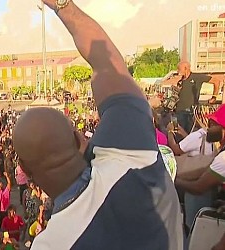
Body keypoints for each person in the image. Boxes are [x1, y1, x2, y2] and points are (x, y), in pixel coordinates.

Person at [13, 1, 183, 249]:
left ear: (25, 173)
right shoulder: (132, 154)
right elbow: (107, 62)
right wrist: (62, 5)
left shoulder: (50, 244)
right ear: (79, 139)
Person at [170, 61, 224, 132]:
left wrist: (214, 97)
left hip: (190, 112)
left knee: (189, 133)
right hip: (179, 111)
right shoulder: (180, 81)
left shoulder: (196, 77)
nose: (178, 71)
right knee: (179, 134)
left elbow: (216, 81)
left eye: (179, 69)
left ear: (186, 68)